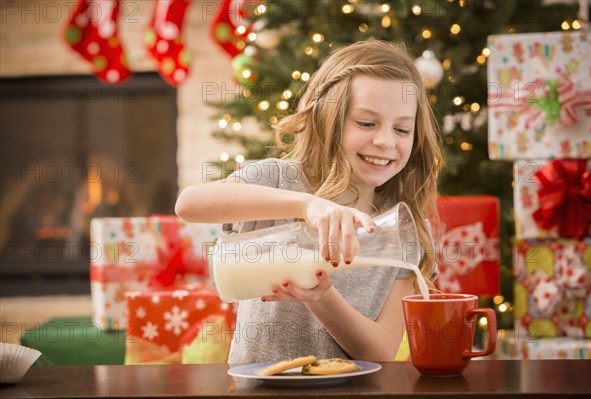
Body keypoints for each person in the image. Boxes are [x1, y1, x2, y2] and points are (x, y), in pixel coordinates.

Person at [175, 39, 442, 363]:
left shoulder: (403, 229)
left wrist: (321, 297)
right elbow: (189, 205)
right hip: (259, 389)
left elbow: (381, 350)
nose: (384, 141)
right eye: (366, 123)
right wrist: (306, 205)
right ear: (327, 119)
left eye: (402, 129)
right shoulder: (277, 181)